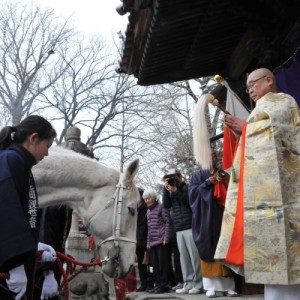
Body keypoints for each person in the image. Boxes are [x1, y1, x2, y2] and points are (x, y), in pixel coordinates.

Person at [215, 68, 300, 299]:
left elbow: (281, 132)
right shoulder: (260, 108)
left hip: (284, 191)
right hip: (264, 195)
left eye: (253, 83)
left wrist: (247, 129)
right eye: (248, 85)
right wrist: (245, 132)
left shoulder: (282, 101)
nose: (250, 89)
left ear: (269, 80)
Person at [0, 115, 57, 300]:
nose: (47, 153)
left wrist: (34, 245)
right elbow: (6, 209)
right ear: (33, 139)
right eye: (47, 146)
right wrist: (14, 264)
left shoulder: (20, 163)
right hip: (7, 270)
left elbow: (25, 214)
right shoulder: (10, 160)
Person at [189, 150, 237, 298]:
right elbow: (192, 194)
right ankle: (210, 287)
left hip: (222, 218)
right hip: (205, 219)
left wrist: (224, 182)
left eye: (214, 156)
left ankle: (229, 287)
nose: (212, 158)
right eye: (209, 156)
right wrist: (207, 184)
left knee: (225, 248)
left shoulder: (222, 173)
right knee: (208, 248)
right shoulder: (196, 176)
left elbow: (233, 190)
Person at [162, 168, 203, 295]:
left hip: (191, 226)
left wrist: (176, 191)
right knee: (184, 259)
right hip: (179, 228)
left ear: (180, 177)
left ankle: (198, 284)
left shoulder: (187, 187)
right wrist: (166, 189)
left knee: (194, 258)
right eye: (168, 178)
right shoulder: (169, 191)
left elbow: (188, 202)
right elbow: (166, 205)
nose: (171, 180)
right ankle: (188, 283)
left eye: (173, 177)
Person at [143, 188, 172, 294]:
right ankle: (158, 284)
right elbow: (149, 228)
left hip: (162, 241)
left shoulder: (161, 207)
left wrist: (166, 238)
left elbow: (168, 222)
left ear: (154, 198)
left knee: (163, 264)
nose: (147, 200)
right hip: (152, 242)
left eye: (149, 198)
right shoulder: (148, 211)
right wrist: (148, 242)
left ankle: (164, 285)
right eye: (145, 199)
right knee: (154, 265)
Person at [135, 188, 154, 292]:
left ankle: (150, 283)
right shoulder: (134, 209)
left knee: (150, 264)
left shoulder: (147, 209)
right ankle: (144, 283)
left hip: (147, 240)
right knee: (141, 264)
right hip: (138, 240)